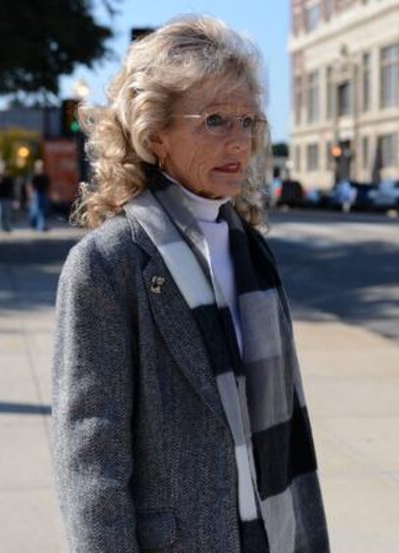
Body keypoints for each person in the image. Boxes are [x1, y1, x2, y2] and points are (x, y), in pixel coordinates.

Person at [52, 16, 329, 553]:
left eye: (249, 121)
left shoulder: (250, 251)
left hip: (276, 534)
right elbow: (90, 457)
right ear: (155, 133)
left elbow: (290, 429)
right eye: (216, 121)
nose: (240, 143)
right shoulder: (110, 265)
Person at [27, 159, 50, 231]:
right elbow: (30, 186)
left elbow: (48, 185)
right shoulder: (34, 175)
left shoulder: (45, 175)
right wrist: (30, 195)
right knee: (37, 210)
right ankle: (39, 225)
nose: (42, 167)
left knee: (42, 210)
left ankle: (39, 225)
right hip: (36, 194)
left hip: (44, 193)